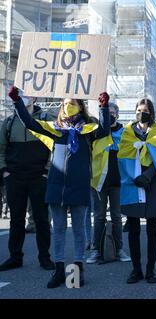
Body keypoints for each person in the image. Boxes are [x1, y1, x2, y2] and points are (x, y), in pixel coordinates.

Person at [7, 86, 111, 288]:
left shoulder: (88, 131)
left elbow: (105, 130)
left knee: (79, 230)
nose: (67, 107)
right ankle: (59, 270)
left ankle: (78, 271)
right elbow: (29, 122)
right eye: (65, 104)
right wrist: (17, 101)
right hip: (56, 186)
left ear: (80, 107)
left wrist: (103, 107)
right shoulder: (54, 129)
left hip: (79, 185)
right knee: (59, 230)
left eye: (72, 104)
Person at [117, 98, 156, 285]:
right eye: (139, 110)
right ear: (135, 112)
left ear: (151, 112)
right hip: (132, 183)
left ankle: (150, 270)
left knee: (152, 230)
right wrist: (135, 178)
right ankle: (136, 270)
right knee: (133, 229)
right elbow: (122, 157)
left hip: (152, 184)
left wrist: (147, 176)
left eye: (146, 110)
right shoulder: (127, 132)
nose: (142, 113)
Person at [0, 92, 54, 271]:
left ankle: (44, 257)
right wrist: (5, 171)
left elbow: (54, 146)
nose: (25, 96)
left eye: (28, 93)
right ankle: (15, 257)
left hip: (39, 177)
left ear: (36, 98)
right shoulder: (8, 123)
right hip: (14, 178)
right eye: (22, 94)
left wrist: (47, 171)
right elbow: (1, 148)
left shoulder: (45, 120)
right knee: (16, 220)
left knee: (42, 219)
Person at [87, 102, 131, 264]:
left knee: (117, 217)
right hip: (98, 181)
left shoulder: (126, 132)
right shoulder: (96, 132)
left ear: (117, 115)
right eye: (106, 113)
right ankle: (95, 251)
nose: (109, 115)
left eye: (112, 112)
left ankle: (119, 249)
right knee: (98, 217)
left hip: (118, 181)